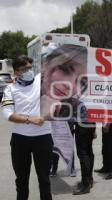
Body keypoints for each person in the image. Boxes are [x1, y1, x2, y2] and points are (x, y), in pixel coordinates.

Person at [1, 55, 53, 200]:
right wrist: (30, 119)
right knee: (22, 179)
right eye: (23, 69)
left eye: (30, 68)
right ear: (16, 72)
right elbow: (7, 114)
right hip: (20, 140)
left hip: (43, 138)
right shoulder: (10, 88)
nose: (28, 71)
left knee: (44, 179)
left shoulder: (41, 80)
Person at [40, 44, 88, 121]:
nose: (70, 85)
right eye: (65, 70)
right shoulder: (25, 94)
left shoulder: (79, 110)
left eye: (82, 81)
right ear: (46, 64)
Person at [72, 122, 96, 195]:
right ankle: (89, 179)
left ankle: (86, 184)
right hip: (91, 124)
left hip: (82, 125)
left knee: (83, 153)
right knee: (88, 151)